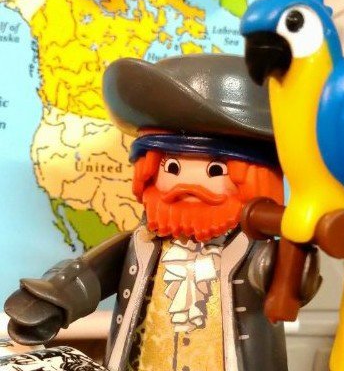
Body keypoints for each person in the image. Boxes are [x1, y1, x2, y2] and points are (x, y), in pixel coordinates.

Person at [5, 54, 289, 371]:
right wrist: (55, 298)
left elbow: (291, 283)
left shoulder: (254, 251)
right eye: (172, 167)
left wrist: (299, 249)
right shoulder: (144, 242)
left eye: (215, 170)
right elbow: (92, 272)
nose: (189, 185)